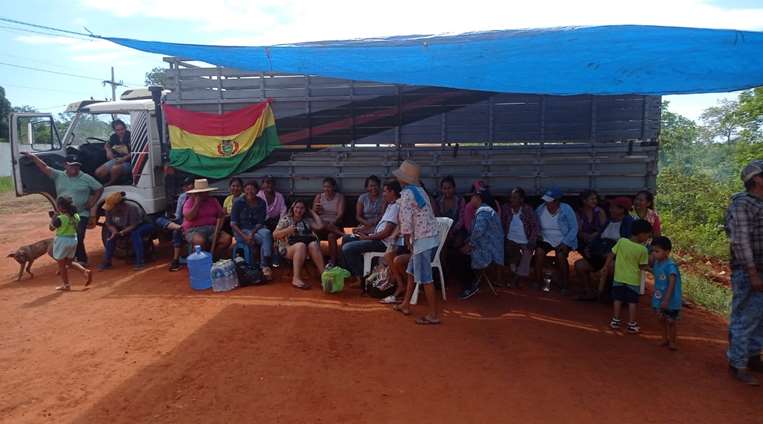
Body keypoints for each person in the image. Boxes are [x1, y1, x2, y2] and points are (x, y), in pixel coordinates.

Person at [22, 152, 103, 266]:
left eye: (77, 165)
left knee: (78, 235)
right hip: (63, 214)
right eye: (72, 165)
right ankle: (71, 259)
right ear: (65, 165)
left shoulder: (85, 178)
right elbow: (44, 167)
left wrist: (92, 201)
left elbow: (99, 188)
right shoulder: (58, 175)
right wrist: (34, 157)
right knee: (65, 236)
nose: (75, 168)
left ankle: (82, 260)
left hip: (80, 213)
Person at [725, 160, 763, 386]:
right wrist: (752, 273)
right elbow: (741, 242)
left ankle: (752, 356)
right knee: (745, 318)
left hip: (759, 270)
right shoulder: (743, 205)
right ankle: (737, 362)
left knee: (759, 317)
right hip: (749, 271)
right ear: (756, 179)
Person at [391, 160, 442, 325]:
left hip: (422, 241)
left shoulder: (407, 193)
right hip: (430, 237)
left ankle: (433, 314)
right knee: (412, 271)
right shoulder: (420, 191)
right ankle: (406, 304)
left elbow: (405, 218)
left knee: (425, 278)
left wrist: (406, 237)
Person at [342, 179, 402, 287]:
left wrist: (368, 238)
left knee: (348, 248)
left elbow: (386, 233)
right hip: (376, 238)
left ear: (392, 192)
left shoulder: (396, 207)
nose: (383, 194)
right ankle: (354, 274)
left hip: (382, 243)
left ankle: (361, 278)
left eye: (385, 192)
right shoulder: (390, 205)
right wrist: (364, 231)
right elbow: (381, 227)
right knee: (347, 238)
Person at [575, 196, 636, 300]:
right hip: (600, 254)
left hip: (615, 257)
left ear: (622, 210)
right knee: (579, 265)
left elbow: (626, 243)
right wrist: (589, 247)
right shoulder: (609, 221)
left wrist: (612, 253)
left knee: (611, 267)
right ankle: (589, 291)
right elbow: (599, 236)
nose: (610, 210)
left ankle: (609, 292)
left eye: (614, 208)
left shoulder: (629, 223)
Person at [600, 219, 652, 335]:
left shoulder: (622, 241)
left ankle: (615, 320)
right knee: (632, 302)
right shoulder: (642, 250)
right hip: (633, 280)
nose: (647, 238)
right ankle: (631, 323)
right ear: (641, 234)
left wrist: (605, 266)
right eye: (647, 235)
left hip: (619, 277)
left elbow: (611, 254)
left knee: (617, 299)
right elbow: (643, 266)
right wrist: (653, 271)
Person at [459, 185, 504, 300]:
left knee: (461, 257)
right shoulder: (486, 210)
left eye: (472, 197)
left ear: (478, 198)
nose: (471, 199)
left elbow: (478, 231)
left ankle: (470, 286)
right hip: (488, 247)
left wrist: (469, 245)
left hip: (488, 251)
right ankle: (472, 282)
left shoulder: (484, 211)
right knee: (461, 251)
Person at [274, 200, 326, 289]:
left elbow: (320, 226)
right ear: (293, 208)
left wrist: (311, 211)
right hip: (287, 248)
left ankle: (324, 276)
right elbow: (274, 234)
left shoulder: (306, 221)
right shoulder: (286, 219)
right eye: (297, 207)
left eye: (302, 208)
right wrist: (287, 230)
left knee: (313, 244)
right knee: (300, 245)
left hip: (306, 249)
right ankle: (296, 278)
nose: (299, 210)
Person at [534, 187, 578, 291]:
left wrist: (565, 242)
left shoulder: (566, 209)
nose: (547, 203)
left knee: (561, 255)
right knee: (539, 252)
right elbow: (534, 223)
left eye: (550, 201)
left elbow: (574, 227)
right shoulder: (540, 208)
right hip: (545, 238)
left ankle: (565, 283)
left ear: (557, 201)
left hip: (562, 238)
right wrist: (538, 234)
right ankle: (537, 281)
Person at [99, 192, 155, 270]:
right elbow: (108, 223)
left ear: (119, 205)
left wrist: (122, 232)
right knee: (110, 236)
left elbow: (134, 225)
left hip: (141, 225)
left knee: (135, 234)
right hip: (123, 227)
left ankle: (140, 261)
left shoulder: (132, 208)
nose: (110, 209)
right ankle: (106, 262)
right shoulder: (109, 209)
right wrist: (114, 231)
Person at [230, 180, 273, 280]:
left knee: (267, 233)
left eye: (253, 189)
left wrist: (252, 233)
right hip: (241, 230)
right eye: (247, 189)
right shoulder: (238, 202)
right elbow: (233, 224)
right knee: (264, 239)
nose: (250, 191)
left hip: (256, 229)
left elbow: (260, 222)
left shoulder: (261, 202)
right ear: (244, 190)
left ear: (257, 191)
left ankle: (264, 265)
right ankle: (265, 265)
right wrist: (245, 236)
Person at [49, 196, 92, 291]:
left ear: (60, 207)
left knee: (62, 265)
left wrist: (53, 218)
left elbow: (51, 228)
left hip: (62, 241)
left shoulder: (60, 218)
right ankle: (85, 271)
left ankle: (66, 285)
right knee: (69, 262)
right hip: (73, 239)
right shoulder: (76, 216)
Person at [500, 187, 539, 288]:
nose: (511, 200)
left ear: (521, 200)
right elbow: (501, 224)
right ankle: (515, 274)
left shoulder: (528, 210)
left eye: (515, 198)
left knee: (527, 254)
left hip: (525, 241)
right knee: (510, 255)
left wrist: (532, 240)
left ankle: (516, 278)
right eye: (511, 197)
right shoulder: (505, 209)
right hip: (510, 240)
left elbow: (535, 226)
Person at [182, 179, 232, 257]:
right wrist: (197, 203)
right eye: (202, 192)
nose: (205, 194)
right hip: (193, 230)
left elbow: (221, 215)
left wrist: (218, 229)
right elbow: (189, 217)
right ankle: (201, 260)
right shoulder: (190, 201)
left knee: (227, 239)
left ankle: (214, 257)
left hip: (212, 228)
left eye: (205, 192)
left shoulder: (213, 200)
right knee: (200, 241)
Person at [155, 177, 195, 272]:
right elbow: (178, 215)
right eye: (185, 186)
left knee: (176, 232)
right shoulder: (182, 197)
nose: (187, 187)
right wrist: (172, 218)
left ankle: (175, 260)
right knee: (159, 220)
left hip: (191, 222)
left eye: (189, 185)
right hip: (181, 221)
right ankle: (179, 227)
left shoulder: (197, 197)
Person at [650, 236, 682, 351]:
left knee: (671, 321)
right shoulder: (657, 264)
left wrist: (667, 299)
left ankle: (672, 342)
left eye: (657, 251)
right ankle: (664, 339)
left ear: (667, 252)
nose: (654, 254)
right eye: (653, 251)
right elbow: (656, 273)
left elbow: (672, 282)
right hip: (659, 298)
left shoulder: (670, 266)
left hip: (671, 300)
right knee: (661, 319)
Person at [312, 177, 345, 264]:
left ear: (333, 187)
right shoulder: (319, 197)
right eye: (325, 187)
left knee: (331, 235)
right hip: (321, 225)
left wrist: (332, 223)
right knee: (318, 228)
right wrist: (316, 209)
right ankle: (344, 235)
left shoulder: (339, 197)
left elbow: (340, 214)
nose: (327, 189)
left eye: (329, 187)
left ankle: (332, 262)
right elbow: (313, 214)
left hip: (335, 225)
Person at [95, 119, 132, 185]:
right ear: (114, 130)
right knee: (98, 172)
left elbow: (135, 151)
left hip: (129, 161)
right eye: (117, 130)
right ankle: (104, 182)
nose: (120, 132)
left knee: (115, 169)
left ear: (125, 128)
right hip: (116, 159)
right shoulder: (113, 137)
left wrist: (124, 159)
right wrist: (108, 151)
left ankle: (110, 183)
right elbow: (107, 145)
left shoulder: (131, 136)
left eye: (122, 129)